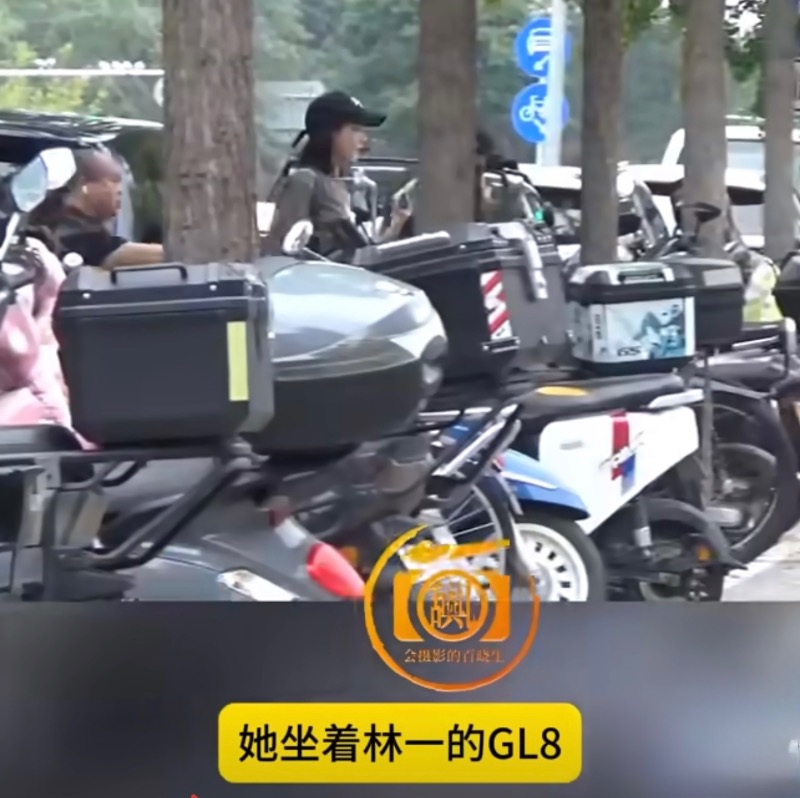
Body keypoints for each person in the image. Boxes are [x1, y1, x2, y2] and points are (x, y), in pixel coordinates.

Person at [265, 90, 410, 255]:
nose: (364, 138)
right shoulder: (305, 180)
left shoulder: (347, 185)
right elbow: (282, 249)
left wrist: (396, 225)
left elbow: (361, 254)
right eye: (355, 129)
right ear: (330, 133)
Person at [31, 147, 165, 270]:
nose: (120, 190)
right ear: (85, 185)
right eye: (113, 181)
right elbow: (116, 254)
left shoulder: (77, 230)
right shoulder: (71, 237)